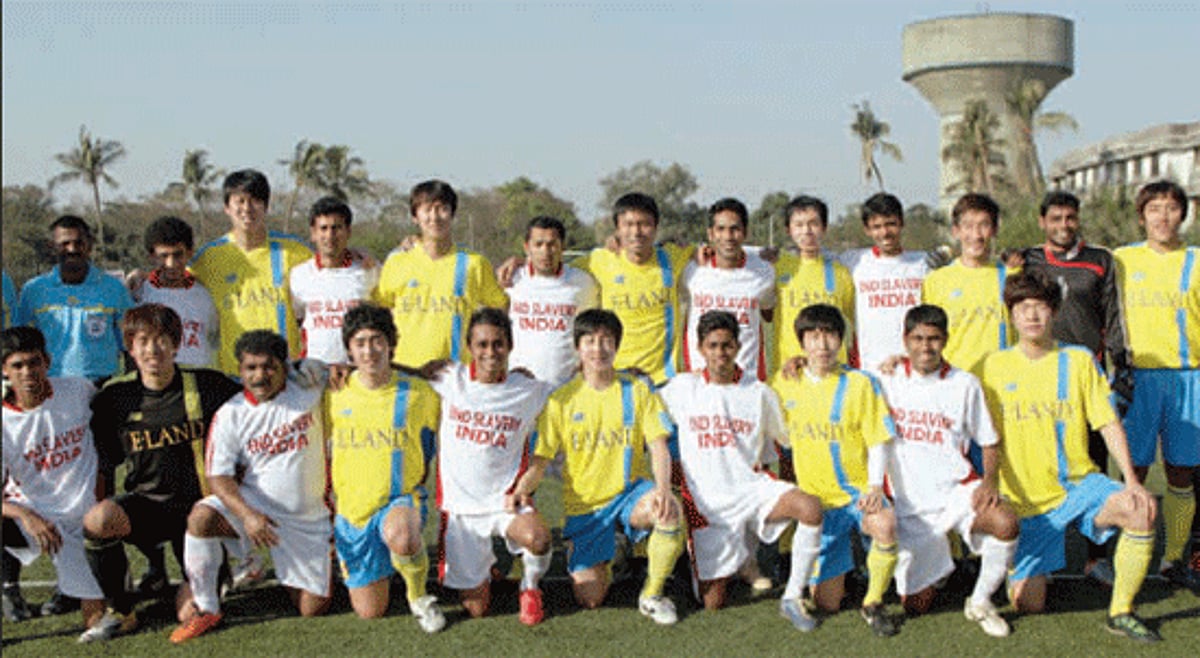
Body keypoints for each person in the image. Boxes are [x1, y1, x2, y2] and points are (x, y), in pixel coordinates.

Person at [975, 272, 1160, 641]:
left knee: (1140, 508)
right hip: (1027, 503)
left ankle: (1121, 611)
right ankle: (1027, 566)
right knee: (1028, 604)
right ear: (1011, 314)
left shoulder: (1078, 360)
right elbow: (957, 405)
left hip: (1079, 486)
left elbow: (1107, 422)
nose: (1032, 316)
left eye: (1040, 307)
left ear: (1055, 312)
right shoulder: (990, 367)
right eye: (1023, 308)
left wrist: (1131, 480)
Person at [80, 304, 242, 642]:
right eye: (143, 341)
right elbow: (105, 464)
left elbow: (258, 395)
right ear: (130, 347)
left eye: (161, 340)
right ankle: (121, 610)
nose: (153, 350)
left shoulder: (208, 385)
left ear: (176, 344)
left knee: (190, 615)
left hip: (199, 515)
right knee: (98, 520)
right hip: (148, 506)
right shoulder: (115, 397)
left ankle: (214, 572)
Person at [510, 309, 685, 624]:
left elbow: (659, 447)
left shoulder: (637, 389)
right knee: (590, 598)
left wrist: (662, 490)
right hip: (586, 510)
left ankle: (652, 594)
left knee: (667, 510)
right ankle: (613, 549)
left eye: (606, 341)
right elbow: (540, 460)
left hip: (630, 494)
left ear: (617, 346)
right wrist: (521, 489)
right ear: (578, 347)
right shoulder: (561, 400)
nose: (598, 349)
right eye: (590, 341)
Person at [658, 311, 824, 630]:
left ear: (738, 346)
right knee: (713, 602)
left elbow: (785, 440)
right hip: (707, 505)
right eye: (713, 345)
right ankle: (725, 560)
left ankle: (791, 597)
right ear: (700, 348)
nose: (720, 353)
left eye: (727, 345)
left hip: (751, 490)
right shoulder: (681, 388)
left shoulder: (758, 391)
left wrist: (804, 371)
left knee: (809, 507)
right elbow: (645, 414)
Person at [170, 331, 332, 643]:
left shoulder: (308, 386)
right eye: (251, 368)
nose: (260, 376)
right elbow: (218, 477)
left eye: (269, 367)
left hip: (306, 519)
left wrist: (329, 368)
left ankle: (290, 565)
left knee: (313, 608)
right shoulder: (230, 414)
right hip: (255, 508)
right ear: (240, 370)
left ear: (284, 366)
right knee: (201, 517)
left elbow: (344, 370)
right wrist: (247, 515)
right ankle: (207, 607)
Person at [878, 305, 1019, 637]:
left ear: (945, 340)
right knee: (915, 606)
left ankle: (981, 601)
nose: (925, 347)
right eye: (918, 339)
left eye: (934, 339)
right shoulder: (885, 379)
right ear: (905, 340)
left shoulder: (965, 383)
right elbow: (838, 378)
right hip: (910, 504)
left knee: (1005, 521)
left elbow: (989, 441)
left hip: (957, 491)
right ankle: (940, 567)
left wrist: (989, 482)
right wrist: (797, 363)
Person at [1021, 190, 1132, 581]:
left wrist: (1122, 368)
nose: (1063, 225)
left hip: (1087, 376)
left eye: (1070, 218)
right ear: (1042, 222)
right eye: (1056, 218)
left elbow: (1113, 316)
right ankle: (1043, 552)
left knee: (1094, 462)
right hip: (1040, 376)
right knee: (1039, 463)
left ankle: (1095, 557)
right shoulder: (1027, 260)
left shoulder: (1100, 260)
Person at [769, 304, 899, 637]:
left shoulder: (861, 383)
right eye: (813, 337)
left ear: (841, 340)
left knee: (885, 523)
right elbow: (775, 434)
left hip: (857, 495)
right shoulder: (784, 383)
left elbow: (878, 440)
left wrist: (874, 486)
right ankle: (850, 565)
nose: (823, 345)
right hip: (818, 505)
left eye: (830, 335)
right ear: (801, 342)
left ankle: (873, 602)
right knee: (827, 602)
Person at [428, 309, 555, 625]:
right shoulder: (449, 379)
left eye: (498, 344)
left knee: (539, 539)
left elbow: (575, 390)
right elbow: (397, 374)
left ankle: (530, 587)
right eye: (482, 344)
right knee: (477, 609)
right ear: (469, 347)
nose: (490, 352)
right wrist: (342, 369)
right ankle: (489, 567)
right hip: (461, 510)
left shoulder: (528, 389)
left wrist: (626, 375)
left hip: (506, 501)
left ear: (510, 346)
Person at [325, 304, 444, 631]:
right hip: (353, 512)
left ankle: (419, 597)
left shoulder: (420, 393)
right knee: (370, 611)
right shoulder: (333, 393)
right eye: (360, 343)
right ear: (349, 350)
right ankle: (395, 563)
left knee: (402, 536)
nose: (369, 350)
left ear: (391, 343)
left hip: (399, 500)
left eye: (377, 340)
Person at [1114, 180, 1199, 592]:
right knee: (1134, 471)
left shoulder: (1197, 261)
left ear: (1183, 215)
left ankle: (1174, 558)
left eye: (1171, 208)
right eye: (1154, 209)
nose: (1163, 217)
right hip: (1139, 379)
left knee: (1181, 471)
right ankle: (1127, 553)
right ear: (1141, 216)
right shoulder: (1122, 259)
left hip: (1189, 376)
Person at [1, 327, 106, 630]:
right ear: (4, 370)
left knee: (98, 620)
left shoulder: (78, 390)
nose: (27, 372)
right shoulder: (4, 423)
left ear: (47, 361)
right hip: (38, 518)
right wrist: (26, 515)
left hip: (89, 514)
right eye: (17, 365)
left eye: (34, 362)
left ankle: (146, 573)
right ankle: (9, 589)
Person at [373, 180, 508, 370]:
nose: (434, 217)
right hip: (405, 370)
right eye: (427, 210)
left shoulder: (474, 263)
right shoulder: (396, 262)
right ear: (415, 216)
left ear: (452, 214)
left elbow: (500, 307)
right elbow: (381, 309)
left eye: (442, 209)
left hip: (455, 373)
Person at [191, 169, 312, 375]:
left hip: (284, 376)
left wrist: (354, 256)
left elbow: (331, 271)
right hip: (232, 377)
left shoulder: (295, 252)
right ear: (227, 207)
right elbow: (174, 281)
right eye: (240, 201)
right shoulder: (208, 258)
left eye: (255, 201)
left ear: (266, 206)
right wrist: (141, 278)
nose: (247, 208)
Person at [571, 193, 694, 386]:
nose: (636, 232)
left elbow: (717, 252)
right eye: (628, 225)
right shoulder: (600, 260)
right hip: (616, 375)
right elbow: (554, 270)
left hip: (664, 378)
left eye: (644, 224)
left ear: (656, 228)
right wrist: (522, 264)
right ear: (617, 229)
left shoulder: (672, 257)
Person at [14, 215, 134, 381]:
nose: (72, 249)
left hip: (100, 385)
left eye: (79, 243)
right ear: (52, 247)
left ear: (90, 244)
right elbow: (20, 345)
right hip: (50, 384)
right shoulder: (33, 289)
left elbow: (131, 343)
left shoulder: (114, 288)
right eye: (64, 244)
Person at [679, 199, 775, 382]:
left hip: (747, 380)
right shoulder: (690, 269)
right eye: (721, 229)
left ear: (745, 232)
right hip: (700, 379)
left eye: (735, 229)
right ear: (710, 233)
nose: (728, 236)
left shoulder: (765, 271)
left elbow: (768, 313)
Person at [921, 194, 1013, 372]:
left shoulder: (1011, 276)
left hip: (1002, 380)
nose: (976, 235)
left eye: (984, 225)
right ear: (955, 231)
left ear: (995, 230)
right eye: (968, 226)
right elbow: (926, 337)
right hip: (954, 381)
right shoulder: (935, 281)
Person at [839, 193, 929, 372]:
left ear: (902, 223)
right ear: (867, 229)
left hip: (915, 368)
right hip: (869, 368)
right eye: (877, 227)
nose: (885, 233)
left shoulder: (924, 263)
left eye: (891, 224)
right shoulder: (852, 261)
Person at [507, 216, 600, 386]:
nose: (545, 251)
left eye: (552, 244)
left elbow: (590, 330)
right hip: (520, 386)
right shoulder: (511, 279)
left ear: (562, 247)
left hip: (566, 386)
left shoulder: (582, 282)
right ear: (527, 247)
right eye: (538, 244)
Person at [289, 197, 379, 365]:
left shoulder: (368, 270)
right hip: (314, 370)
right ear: (313, 233)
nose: (330, 236)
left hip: (356, 369)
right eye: (323, 228)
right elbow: (298, 318)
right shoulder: (299, 275)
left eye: (337, 228)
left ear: (348, 231)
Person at [773, 196, 855, 369]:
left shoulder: (841, 272)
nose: (807, 231)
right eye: (799, 225)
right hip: (789, 372)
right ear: (788, 230)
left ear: (824, 228)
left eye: (813, 224)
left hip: (833, 372)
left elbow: (856, 323)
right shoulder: (775, 267)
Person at [135, 216, 220, 369]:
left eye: (178, 255)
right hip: (158, 378)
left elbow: (215, 335)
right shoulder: (140, 294)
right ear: (151, 256)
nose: (171, 264)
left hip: (199, 377)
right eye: (164, 256)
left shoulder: (205, 295)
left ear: (190, 253)